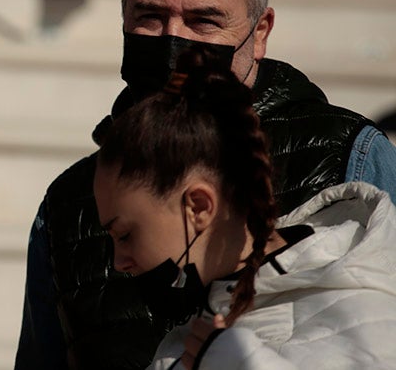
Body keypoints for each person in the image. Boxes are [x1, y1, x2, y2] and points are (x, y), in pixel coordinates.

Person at [15, 0, 396, 369]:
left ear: (259, 33)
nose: (173, 39)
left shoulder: (347, 155)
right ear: (123, 16)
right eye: (150, 16)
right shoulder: (70, 199)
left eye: (203, 21)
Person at [95, 46, 396, 369]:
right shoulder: (190, 336)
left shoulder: (368, 306)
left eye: (125, 234)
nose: (119, 262)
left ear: (198, 207)